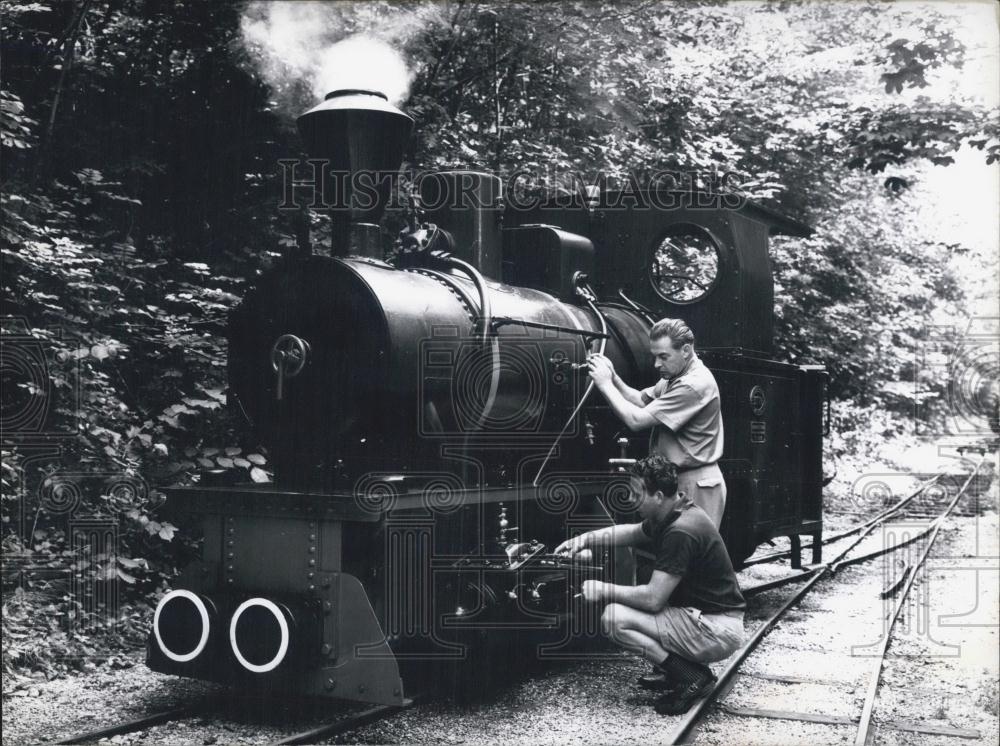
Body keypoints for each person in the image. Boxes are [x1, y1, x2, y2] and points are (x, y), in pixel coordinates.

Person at [555, 455, 746, 715]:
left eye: (637, 495)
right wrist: (585, 539)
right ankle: (680, 670)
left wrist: (602, 589)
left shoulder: (681, 531)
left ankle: (690, 677)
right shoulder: (676, 511)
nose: (630, 500)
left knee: (614, 618)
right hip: (709, 619)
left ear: (657, 496)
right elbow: (632, 532)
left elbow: (653, 599)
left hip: (716, 630)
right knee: (641, 589)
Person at [586, 317, 726, 527]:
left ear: (686, 350)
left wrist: (604, 384)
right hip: (679, 480)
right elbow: (641, 400)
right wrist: (613, 377)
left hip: (695, 484)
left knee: (691, 545)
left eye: (663, 356)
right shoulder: (676, 375)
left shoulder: (692, 385)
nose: (657, 364)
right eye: (655, 356)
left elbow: (636, 420)